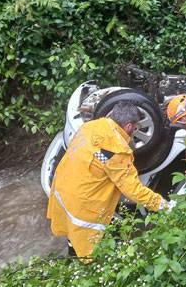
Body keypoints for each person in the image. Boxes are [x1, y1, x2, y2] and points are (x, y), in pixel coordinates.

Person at [47, 101, 174, 258]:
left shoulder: (91, 126)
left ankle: (72, 256)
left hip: (63, 187)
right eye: (135, 128)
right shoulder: (116, 151)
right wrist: (163, 206)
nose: (135, 131)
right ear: (128, 126)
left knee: (73, 235)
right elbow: (134, 190)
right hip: (83, 205)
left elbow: (97, 156)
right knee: (89, 249)